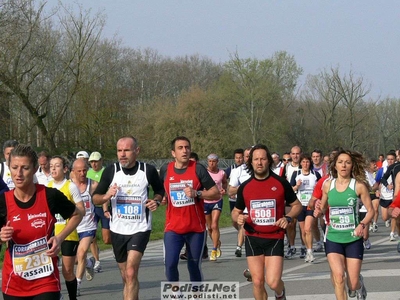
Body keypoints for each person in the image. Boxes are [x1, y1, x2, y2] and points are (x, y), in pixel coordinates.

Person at [0, 144, 83, 300]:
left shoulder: (49, 195)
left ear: (35, 168)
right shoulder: (4, 201)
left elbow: (77, 214)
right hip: (14, 282)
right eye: (14, 167)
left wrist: (60, 237)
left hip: (45, 280)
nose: (18, 174)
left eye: (24, 168)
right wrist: (0, 236)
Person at [92, 135, 164, 300]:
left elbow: (160, 191)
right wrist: (107, 196)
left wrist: (156, 201)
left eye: (126, 150)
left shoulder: (148, 170)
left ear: (136, 151)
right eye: (119, 150)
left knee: (131, 272)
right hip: (117, 229)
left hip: (140, 228)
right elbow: (95, 198)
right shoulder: (111, 171)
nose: (122, 154)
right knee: (126, 276)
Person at [231, 144, 302, 300]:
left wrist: (288, 218)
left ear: (269, 161)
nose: (259, 162)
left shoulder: (280, 183)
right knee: (257, 281)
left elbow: (297, 205)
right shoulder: (245, 187)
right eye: (256, 159)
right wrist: (239, 217)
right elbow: (235, 212)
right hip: (252, 237)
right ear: (251, 162)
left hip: (274, 237)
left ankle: (280, 293)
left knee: (273, 281)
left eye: (263, 159)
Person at [314, 149, 373, 300]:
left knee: (352, 284)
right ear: (335, 166)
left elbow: (371, 211)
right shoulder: (328, 185)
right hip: (333, 237)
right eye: (340, 162)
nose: (344, 165)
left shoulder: (358, 186)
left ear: (352, 165)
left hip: (353, 238)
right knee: (339, 277)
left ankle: (359, 285)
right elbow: (323, 208)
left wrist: (362, 224)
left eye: (347, 162)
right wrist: (318, 210)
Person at [160, 136, 220, 282]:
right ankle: (176, 294)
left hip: (196, 229)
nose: (184, 151)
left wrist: (197, 193)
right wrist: (160, 199)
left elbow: (215, 192)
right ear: (173, 153)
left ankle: (196, 294)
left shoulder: (198, 169)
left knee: (193, 266)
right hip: (173, 228)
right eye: (180, 148)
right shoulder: (165, 169)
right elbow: (161, 192)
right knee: (170, 264)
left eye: (187, 147)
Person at [48, 155, 85, 300]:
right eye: (51, 166)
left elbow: (81, 210)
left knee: (67, 270)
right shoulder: (47, 187)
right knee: (50, 270)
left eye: (57, 165)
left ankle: (72, 297)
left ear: (64, 169)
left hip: (68, 234)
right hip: (50, 235)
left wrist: (70, 214)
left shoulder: (70, 186)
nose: (53, 169)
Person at [71, 159, 98, 296]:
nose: (82, 173)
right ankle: (89, 263)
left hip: (88, 225)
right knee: (74, 259)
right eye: (79, 171)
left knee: (81, 253)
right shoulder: (69, 185)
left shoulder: (92, 185)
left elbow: (102, 198)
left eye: (84, 170)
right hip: (73, 227)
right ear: (73, 171)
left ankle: (77, 285)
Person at [290, 153, 321, 261]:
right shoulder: (296, 174)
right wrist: (297, 186)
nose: (305, 164)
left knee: (308, 228)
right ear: (300, 163)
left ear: (310, 163)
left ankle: (310, 252)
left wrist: (318, 202)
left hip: (311, 205)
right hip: (300, 205)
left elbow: (321, 190)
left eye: (307, 161)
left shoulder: (315, 174)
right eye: (303, 162)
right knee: (303, 231)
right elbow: (291, 190)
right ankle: (307, 249)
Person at [86, 151, 108, 273]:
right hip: (92, 208)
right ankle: (97, 261)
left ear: (101, 161)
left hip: (105, 207)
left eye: (96, 161)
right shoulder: (87, 173)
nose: (94, 164)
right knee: (92, 236)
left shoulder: (106, 172)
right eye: (92, 162)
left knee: (106, 239)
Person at [228, 147, 252, 257]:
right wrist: (243, 187)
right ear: (244, 157)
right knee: (242, 226)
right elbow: (230, 190)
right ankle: (240, 246)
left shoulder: (264, 170)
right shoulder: (237, 171)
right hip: (244, 206)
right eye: (247, 156)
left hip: (261, 208)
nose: (249, 158)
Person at [204, 153, 227, 261]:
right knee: (209, 227)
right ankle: (216, 242)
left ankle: (213, 249)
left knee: (214, 225)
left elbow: (224, 183)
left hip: (217, 200)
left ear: (217, 162)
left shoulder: (221, 173)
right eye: (210, 161)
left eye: (214, 161)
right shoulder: (204, 173)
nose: (212, 163)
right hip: (205, 201)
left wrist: (224, 190)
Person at [285, 145, 302, 259]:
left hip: (302, 198)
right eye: (293, 154)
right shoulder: (286, 167)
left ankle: (304, 246)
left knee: (302, 225)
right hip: (290, 198)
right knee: (290, 223)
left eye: (297, 154)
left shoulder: (305, 166)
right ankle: (292, 246)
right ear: (290, 155)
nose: (295, 156)